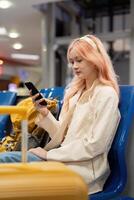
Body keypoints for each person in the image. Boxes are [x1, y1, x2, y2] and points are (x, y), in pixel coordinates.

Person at [0, 34, 121, 194]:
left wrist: (49, 154)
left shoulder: (106, 94)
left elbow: (95, 145)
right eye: (72, 62)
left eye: (80, 60)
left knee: (7, 165)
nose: (74, 66)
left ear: (95, 59)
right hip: (63, 160)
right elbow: (63, 137)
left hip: (83, 171)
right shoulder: (76, 94)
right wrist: (45, 113)